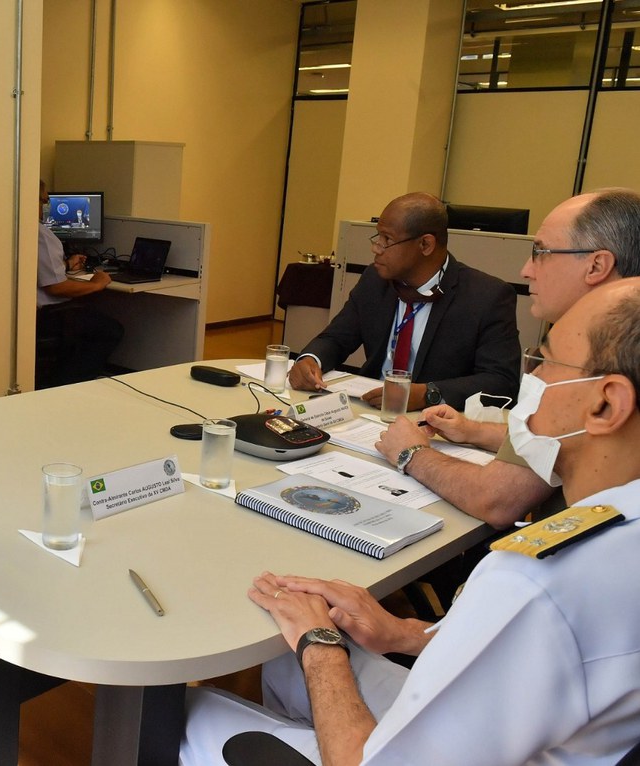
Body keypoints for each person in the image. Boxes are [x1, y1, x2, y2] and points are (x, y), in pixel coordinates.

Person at [182, 277, 640, 765]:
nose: (533, 377)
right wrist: (403, 632)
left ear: (606, 404)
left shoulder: (535, 584)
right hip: (526, 730)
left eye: (545, 362)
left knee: (183, 714)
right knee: (283, 661)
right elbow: (534, 658)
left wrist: (320, 644)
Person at [377, 188, 640, 528]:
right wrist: (474, 431)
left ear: (597, 265)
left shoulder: (592, 365)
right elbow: (556, 444)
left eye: (540, 252)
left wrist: (411, 453)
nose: (527, 269)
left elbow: (496, 498)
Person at [287, 192, 519, 412]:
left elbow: (501, 381)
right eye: (377, 236)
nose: (376, 248)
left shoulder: (486, 297)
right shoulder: (375, 280)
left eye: (387, 239)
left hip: (434, 421)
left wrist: (427, 394)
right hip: (369, 410)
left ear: (425, 245)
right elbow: (336, 338)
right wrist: (310, 359)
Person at [35, 181, 124, 387]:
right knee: (111, 330)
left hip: (27, 315)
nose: (45, 207)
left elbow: (35, 270)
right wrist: (97, 284)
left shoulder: (16, 228)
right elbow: (56, 288)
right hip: (45, 316)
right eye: (44, 201)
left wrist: (66, 264)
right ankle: (66, 385)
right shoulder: (41, 235)